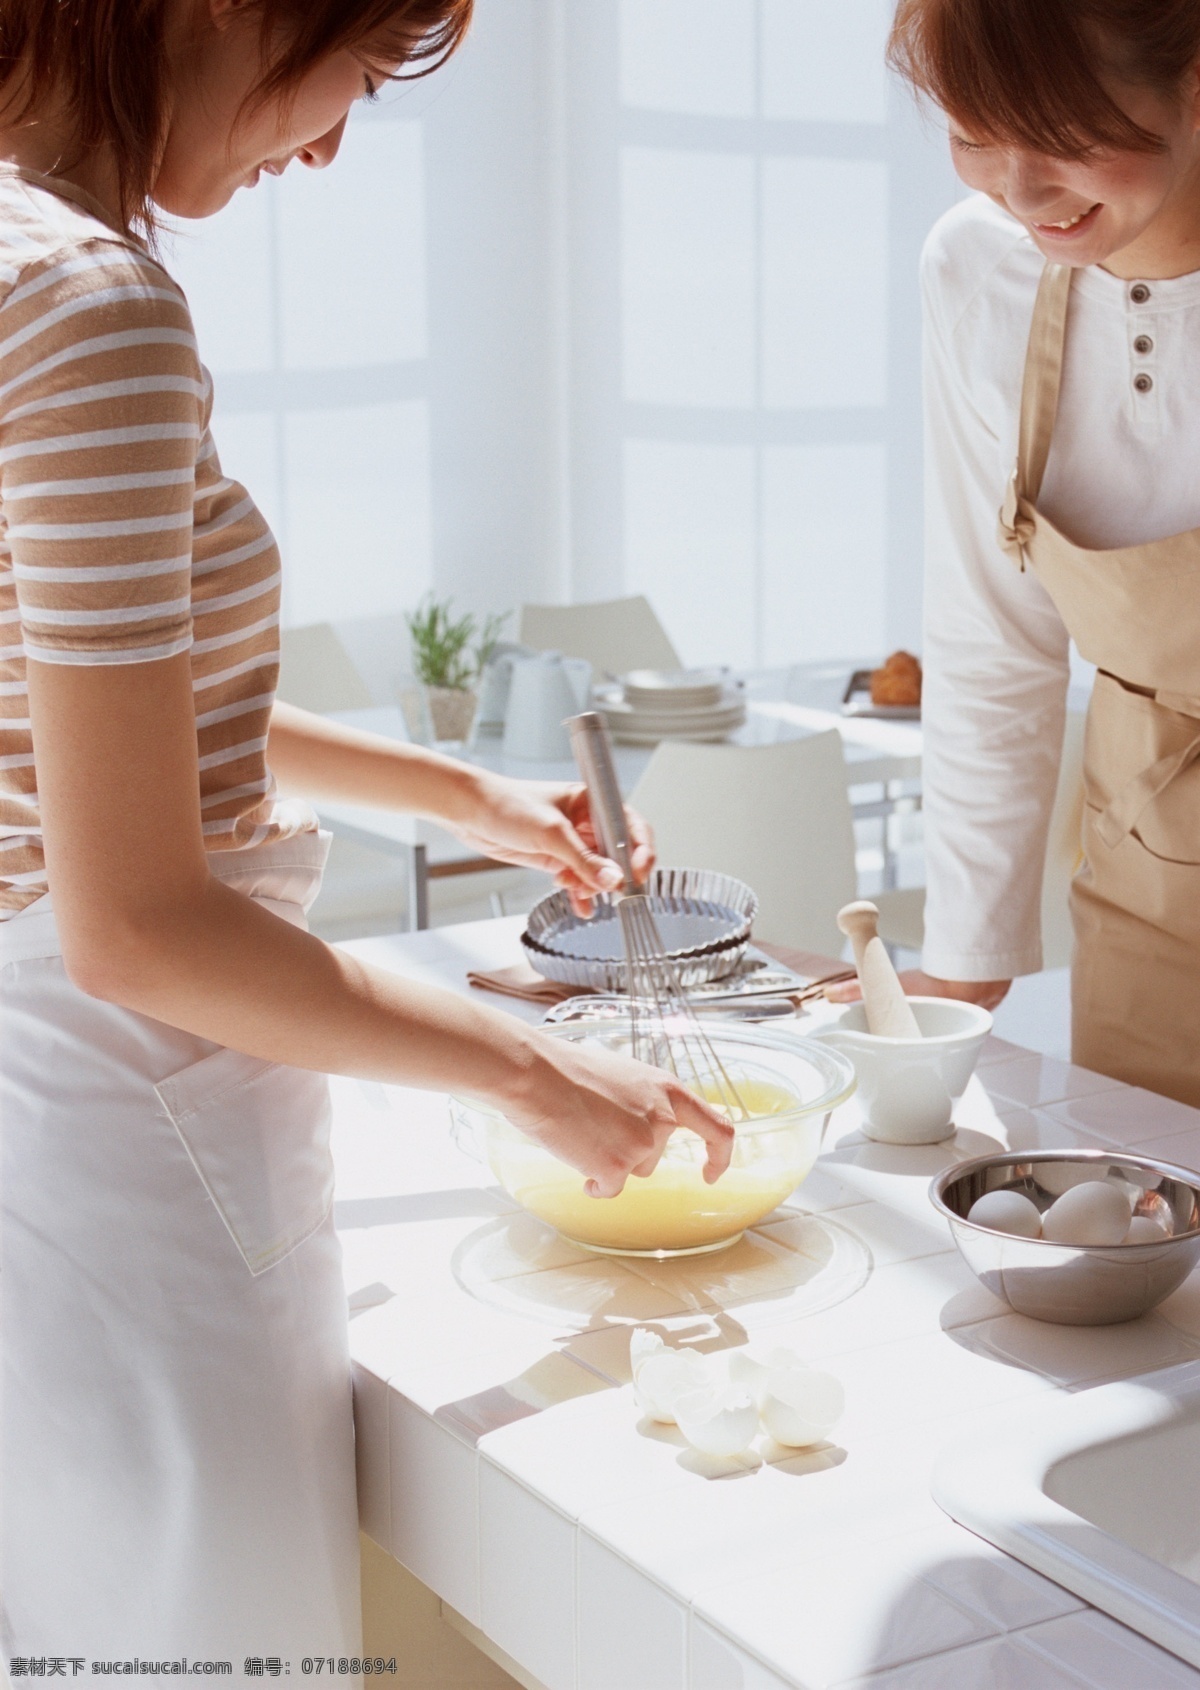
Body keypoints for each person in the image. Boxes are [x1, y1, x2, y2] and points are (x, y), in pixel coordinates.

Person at [0, 0, 734, 1661]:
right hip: (130, 1131)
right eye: (361, 67)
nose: (330, 141)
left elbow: (75, 710)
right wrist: (539, 1071)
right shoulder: (89, 304)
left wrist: (453, 790)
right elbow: (137, 927)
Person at [876, 0, 1200, 1103]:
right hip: (1157, 874)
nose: (1017, 191)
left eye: (1060, 130)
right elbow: (989, 635)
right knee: (1153, 1237)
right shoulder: (979, 274)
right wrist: (964, 957)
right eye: (975, 130)